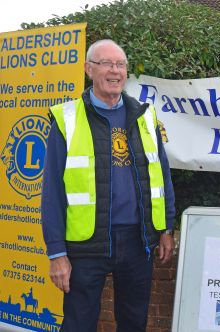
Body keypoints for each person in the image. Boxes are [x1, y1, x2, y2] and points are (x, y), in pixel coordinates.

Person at [41, 39, 176, 332]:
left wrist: (165, 228)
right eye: (106, 64)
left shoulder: (144, 115)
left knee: (133, 322)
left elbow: (161, 175)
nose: (115, 71)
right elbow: (51, 192)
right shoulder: (68, 119)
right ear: (89, 69)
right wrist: (56, 254)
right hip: (86, 245)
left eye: (120, 65)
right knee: (78, 324)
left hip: (138, 239)